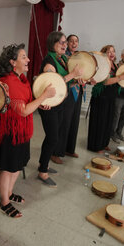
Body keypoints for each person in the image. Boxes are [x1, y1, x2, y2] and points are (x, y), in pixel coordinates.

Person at [0, 43, 55, 218]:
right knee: (8, 168)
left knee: (17, 165)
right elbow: (23, 110)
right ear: (12, 62)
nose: (28, 60)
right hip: (8, 133)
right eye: (23, 57)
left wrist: (41, 102)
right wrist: (43, 97)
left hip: (20, 132)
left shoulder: (22, 80)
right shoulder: (8, 82)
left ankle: (8, 194)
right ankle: (4, 203)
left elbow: (29, 104)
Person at [37, 31, 82, 187]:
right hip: (49, 105)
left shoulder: (62, 58)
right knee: (53, 137)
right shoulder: (49, 62)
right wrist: (73, 74)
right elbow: (54, 82)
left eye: (65, 42)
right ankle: (42, 171)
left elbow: (68, 79)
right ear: (53, 44)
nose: (65, 45)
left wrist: (77, 79)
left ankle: (44, 164)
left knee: (52, 136)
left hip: (61, 102)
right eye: (61, 42)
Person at [87, 45, 124, 153]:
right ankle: (96, 146)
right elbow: (105, 82)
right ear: (104, 53)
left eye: (113, 51)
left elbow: (118, 81)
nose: (111, 53)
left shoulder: (115, 65)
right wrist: (121, 78)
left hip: (111, 97)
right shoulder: (102, 65)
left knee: (108, 122)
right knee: (100, 122)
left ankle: (104, 143)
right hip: (101, 97)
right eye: (108, 52)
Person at [65, 34, 84, 158]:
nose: (74, 43)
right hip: (68, 91)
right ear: (66, 43)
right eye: (71, 41)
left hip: (79, 90)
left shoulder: (80, 56)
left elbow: (86, 71)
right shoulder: (63, 56)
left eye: (76, 41)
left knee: (75, 121)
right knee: (65, 122)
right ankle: (59, 150)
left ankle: (70, 149)